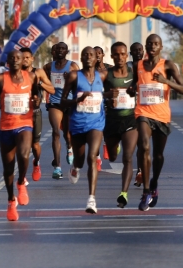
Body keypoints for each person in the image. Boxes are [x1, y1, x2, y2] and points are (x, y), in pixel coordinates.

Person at [0, 50, 41, 221]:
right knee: (8, 169)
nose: (16, 60)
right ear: (7, 62)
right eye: (12, 58)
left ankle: (21, 181)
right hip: (6, 127)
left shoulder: (31, 77)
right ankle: (11, 200)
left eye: (19, 58)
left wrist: (37, 100)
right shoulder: (0, 79)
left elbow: (37, 95)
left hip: (24, 124)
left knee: (24, 155)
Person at [135, 34, 183, 211]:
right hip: (143, 113)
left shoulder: (168, 65)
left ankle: (154, 182)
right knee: (144, 145)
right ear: (146, 46)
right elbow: (133, 83)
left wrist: (166, 81)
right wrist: (129, 90)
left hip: (162, 116)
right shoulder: (139, 65)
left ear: (161, 47)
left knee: (158, 155)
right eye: (149, 44)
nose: (152, 46)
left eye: (156, 44)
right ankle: (146, 191)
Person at [60, 46, 107, 213]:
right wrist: (78, 101)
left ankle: (91, 199)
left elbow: (106, 93)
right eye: (85, 55)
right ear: (81, 58)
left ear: (96, 59)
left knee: (92, 157)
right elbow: (63, 101)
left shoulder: (102, 75)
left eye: (91, 55)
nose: (88, 57)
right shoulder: (74, 76)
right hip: (78, 123)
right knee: (79, 160)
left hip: (96, 124)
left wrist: (111, 96)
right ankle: (75, 167)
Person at [103, 42, 138, 208]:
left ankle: (123, 193)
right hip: (111, 120)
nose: (120, 57)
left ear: (127, 55)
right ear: (112, 56)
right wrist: (108, 94)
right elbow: (94, 91)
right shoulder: (106, 75)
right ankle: (113, 147)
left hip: (130, 119)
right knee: (113, 156)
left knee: (127, 157)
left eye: (123, 54)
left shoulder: (134, 73)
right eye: (116, 55)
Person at [19, 47, 55, 181]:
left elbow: (52, 89)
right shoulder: (15, 73)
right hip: (20, 114)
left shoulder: (38, 72)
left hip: (35, 113)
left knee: (34, 145)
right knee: (22, 145)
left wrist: (40, 84)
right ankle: (22, 175)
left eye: (27, 57)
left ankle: (36, 163)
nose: (25, 60)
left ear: (32, 59)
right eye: (22, 57)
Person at [43, 42, 79, 179]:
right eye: (58, 49)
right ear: (54, 51)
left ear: (67, 51)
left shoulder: (73, 66)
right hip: (55, 102)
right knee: (56, 132)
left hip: (69, 103)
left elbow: (80, 83)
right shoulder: (48, 67)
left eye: (63, 49)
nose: (60, 51)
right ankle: (57, 167)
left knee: (68, 135)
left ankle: (69, 148)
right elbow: (41, 79)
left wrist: (69, 79)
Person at [129, 42, 145, 187]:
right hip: (126, 111)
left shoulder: (149, 67)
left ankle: (140, 171)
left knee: (142, 144)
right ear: (131, 52)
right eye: (135, 50)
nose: (138, 52)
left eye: (140, 50)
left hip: (143, 111)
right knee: (128, 144)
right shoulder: (127, 68)